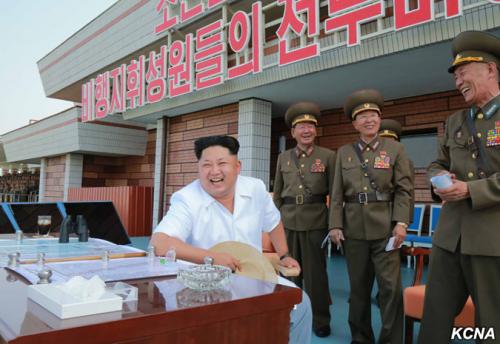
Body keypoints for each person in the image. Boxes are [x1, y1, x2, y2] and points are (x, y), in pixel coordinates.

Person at [150, 135, 312, 344]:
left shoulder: (255, 189)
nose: (214, 171)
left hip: (253, 277)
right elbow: (159, 243)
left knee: (300, 303)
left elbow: (273, 222)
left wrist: (284, 254)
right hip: (203, 287)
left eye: (222, 163)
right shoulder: (187, 199)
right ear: (198, 168)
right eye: (206, 164)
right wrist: (211, 258)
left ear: (237, 166)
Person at [418, 30, 500, 344]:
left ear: (491, 70)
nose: (458, 80)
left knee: (490, 325)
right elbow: (438, 163)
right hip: (449, 237)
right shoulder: (455, 121)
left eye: (464, 72)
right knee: (435, 319)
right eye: (455, 76)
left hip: (491, 239)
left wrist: (470, 190)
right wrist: (440, 181)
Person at [329, 89, 413, 344]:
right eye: (362, 116)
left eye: (373, 115)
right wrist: (335, 225)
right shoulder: (344, 152)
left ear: (379, 118)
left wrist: (401, 223)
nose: (369, 120)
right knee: (359, 289)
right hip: (354, 230)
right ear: (355, 123)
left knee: (390, 289)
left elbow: (404, 189)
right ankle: (361, 337)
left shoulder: (395, 148)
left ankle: (391, 339)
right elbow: (336, 193)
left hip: (386, 230)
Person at [273, 102, 334, 337]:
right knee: (288, 272)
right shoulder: (283, 158)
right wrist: (274, 224)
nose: (306, 130)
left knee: (316, 274)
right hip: (288, 221)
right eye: (301, 126)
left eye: (310, 125)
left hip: (316, 221)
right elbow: (278, 194)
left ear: (316, 130)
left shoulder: (328, 156)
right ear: (293, 132)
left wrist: (334, 223)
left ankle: (320, 320)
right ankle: (289, 315)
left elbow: (335, 193)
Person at [379, 119, 415, 223]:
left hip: (394, 214)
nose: (387, 144)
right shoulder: (369, 159)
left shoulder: (405, 161)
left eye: (390, 140)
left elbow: (408, 192)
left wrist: (403, 221)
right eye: (383, 140)